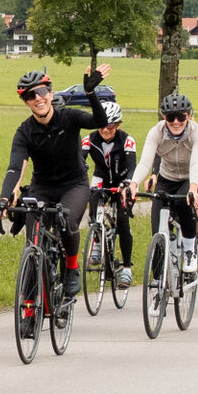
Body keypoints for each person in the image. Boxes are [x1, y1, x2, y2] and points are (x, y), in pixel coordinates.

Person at [0, 65, 112, 309]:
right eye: (30, 96)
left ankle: (71, 266)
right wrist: (4, 199)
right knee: (32, 245)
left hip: (74, 185)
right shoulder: (25, 131)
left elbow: (100, 121)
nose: (37, 98)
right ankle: (29, 311)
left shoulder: (69, 117)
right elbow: (15, 167)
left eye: (41, 92)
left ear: (50, 93)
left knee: (66, 220)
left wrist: (91, 94)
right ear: (26, 102)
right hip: (42, 187)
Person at [133, 92, 198, 275]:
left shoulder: (196, 133)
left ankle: (189, 250)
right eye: (170, 117)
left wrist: (193, 188)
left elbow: (195, 164)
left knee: (184, 201)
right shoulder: (156, 132)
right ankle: (157, 280)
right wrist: (133, 184)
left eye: (181, 117)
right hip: (167, 179)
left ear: (188, 116)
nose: (176, 122)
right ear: (164, 117)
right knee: (157, 227)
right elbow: (145, 163)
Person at [81, 100, 138, 288]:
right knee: (92, 202)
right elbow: (79, 161)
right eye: (102, 125)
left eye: (111, 126)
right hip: (102, 178)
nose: (106, 130)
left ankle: (127, 268)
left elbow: (132, 167)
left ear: (118, 124)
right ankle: (97, 240)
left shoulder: (127, 141)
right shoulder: (89, 139)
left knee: (122, 220)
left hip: (122, 180)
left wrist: (127, 184)